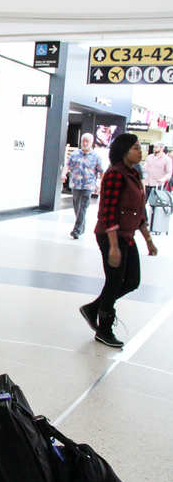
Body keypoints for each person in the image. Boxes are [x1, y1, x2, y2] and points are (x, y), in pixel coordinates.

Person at [78, 134, 157, 348]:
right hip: (110, 236)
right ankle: (104, 328)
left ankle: (93, 308)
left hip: (127, 237)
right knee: (114, 281)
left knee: (132, 281)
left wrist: (148, 241)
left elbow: (139, 212)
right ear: (124, 150)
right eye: (136, 148)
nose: (140, 152)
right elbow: (108, 211)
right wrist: (113, 246)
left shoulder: (133, 174)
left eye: (140, 148)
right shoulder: (115, 174)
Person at [61, 133, 104, 239]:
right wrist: (63, 174)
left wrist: (101, 185)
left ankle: (76, 230)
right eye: (83, 141)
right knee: (77, 207)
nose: (85, 143)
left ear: (91, 142)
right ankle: (82, 226)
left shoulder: (96, 157)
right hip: (75, 184)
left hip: (88, 186)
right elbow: (68, 165)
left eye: (87, 141)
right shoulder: (74, 154)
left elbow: (101, 171)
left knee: (83, 208)